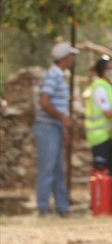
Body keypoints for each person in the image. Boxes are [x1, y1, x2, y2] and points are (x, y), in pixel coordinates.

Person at [33, 41, 77, 217]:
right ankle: (43, 207)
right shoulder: (53, 76)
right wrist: (62, 118)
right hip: (47, 126)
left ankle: (62, 208)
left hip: (55, 127)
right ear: (65, 58)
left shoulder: (59, 76)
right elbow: (44, 102)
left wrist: (63, 127)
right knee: (47, 167)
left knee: (58, 169)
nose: (73, 59)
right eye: (71, 56)